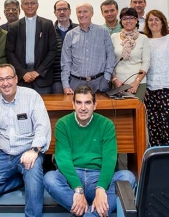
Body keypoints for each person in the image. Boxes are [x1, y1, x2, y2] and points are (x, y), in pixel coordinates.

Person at [44, 85, 136, 217]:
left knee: (127, 177)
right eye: (79, 102)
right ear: (73, 105)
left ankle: (88, 213)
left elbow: (110, 159)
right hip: (73, 179)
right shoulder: (62, 124)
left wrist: (101, 188)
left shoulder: (106, 124)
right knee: (50, 178)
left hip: (98, 176)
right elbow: (63, 159)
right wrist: (78, 189)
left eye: (87, 102)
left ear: (95, 105)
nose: (83, 108)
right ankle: (92, 212)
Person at [0, 64, 51, 217]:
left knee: (34, 185)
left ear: (16, 79)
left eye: (9, 78)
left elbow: (42, 126)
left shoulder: (32, 97)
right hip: (3, 155)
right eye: (1, 79)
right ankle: (20, 180)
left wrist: (35, 150)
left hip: (28, 153)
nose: (5, 83)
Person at [143, 10, 169, 146]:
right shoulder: (145, 41)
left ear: (163, 22)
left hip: (168, 88)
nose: (154, 22)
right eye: (150, 20)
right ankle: (157, 156)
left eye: (157, 19)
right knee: (154, 125)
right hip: (150, 89)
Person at [6, 0, 57, 94]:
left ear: (37, 5)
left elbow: (53, 50)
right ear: (22, 6)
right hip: (21, 78)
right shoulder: (14, 27)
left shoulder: (47, 24)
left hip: (42, 77)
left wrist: (38, 71)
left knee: (43, 108)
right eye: (26, 3)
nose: (30, 6)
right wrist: (23, 73)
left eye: (32, 3)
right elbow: (9, 52)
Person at [62, 3, 115, 94]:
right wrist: (66, 85)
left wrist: (106, 78)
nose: (82, 15)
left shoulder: (103, 32)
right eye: (79, 12)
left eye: (85, 11)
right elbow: (66, 62)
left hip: (99, 83)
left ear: (92, 13)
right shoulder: (70, 35)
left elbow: (110, 56)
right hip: (76, 83)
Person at [111, 8, 150, 101]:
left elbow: (146, 62)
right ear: (121, 21)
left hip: (138, 82)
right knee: (120, 114)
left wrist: (136, 82)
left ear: (136, 20)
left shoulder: (143, 38)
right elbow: (109, 61)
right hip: (118, 82)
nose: (128, 21)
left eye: (131, 18)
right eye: (124, 18)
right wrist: (115, 79)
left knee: (137, 112)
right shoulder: (114, 37)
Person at [52, 0, 77, 94]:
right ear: (55, 13)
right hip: (57, 78)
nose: (62, 12)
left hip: (77, 77)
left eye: (65, 9)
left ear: (70, 11)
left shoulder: (78, 30)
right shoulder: (49, 31)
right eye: (59, 9)